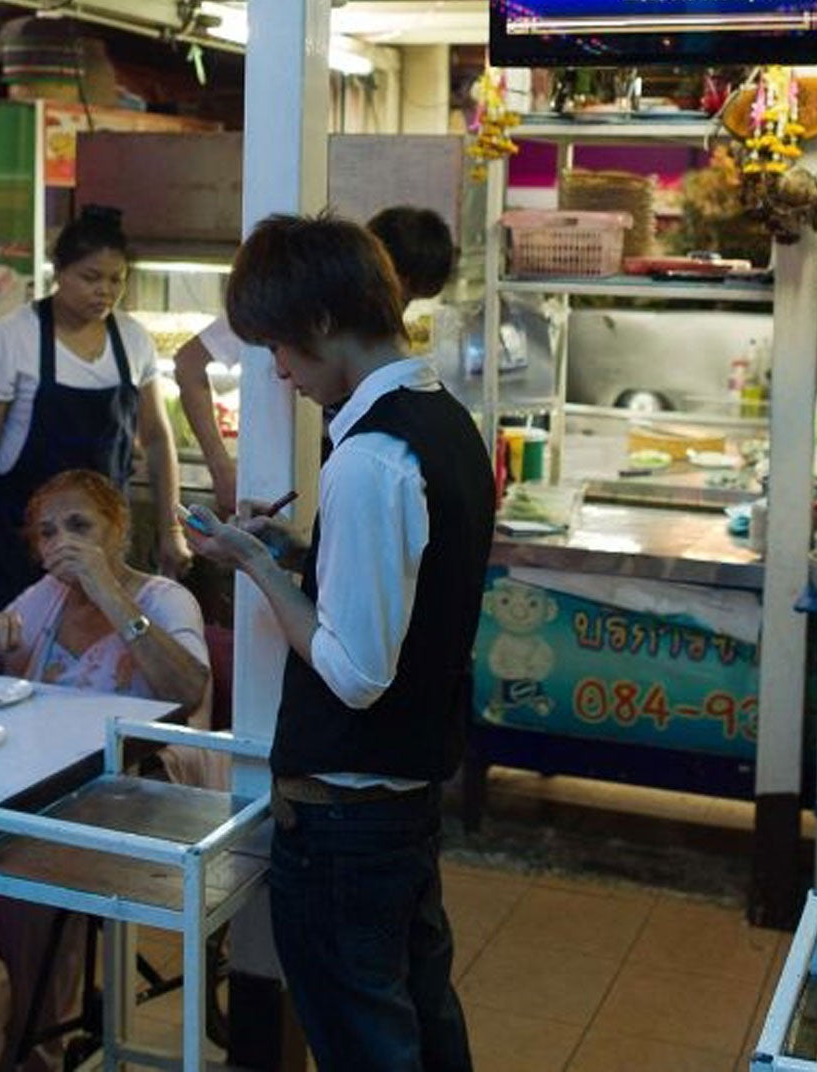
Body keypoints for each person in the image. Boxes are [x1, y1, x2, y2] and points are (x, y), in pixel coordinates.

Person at [180, 213, 492, 1072]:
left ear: (320, 324)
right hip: (405, 795)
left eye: (279, 346)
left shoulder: (368, 458)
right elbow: (402, 594)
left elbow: (355, 673)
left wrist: (254, 564)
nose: (279, 370)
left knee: (367, 1043)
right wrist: (302, 561)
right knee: (423, 1024)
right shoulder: (443, 423)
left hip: (346, 817)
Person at [0, 468, 212, 1071]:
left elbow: (189, 690)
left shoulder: (165, 599)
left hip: (144, 791)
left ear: (118, 529)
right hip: (44, 781)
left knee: (27, 865)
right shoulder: (46, 598)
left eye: (80, 525)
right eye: (47, 532)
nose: (62, 539)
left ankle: (36, 1044)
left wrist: (108, 590)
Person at [0, 204, 189, 620]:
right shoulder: (13, 338)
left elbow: (156, 438)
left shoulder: (132, 340)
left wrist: (172, 530)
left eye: (117, 280)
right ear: (58, 273)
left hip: (103, 546)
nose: (105, 292)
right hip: (21, 544)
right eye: (90, 278)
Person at [171, 204, 457, 515]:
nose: (392, 305)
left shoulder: (372, 454)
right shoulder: (283, 302)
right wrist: (222, 469)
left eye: (410, 297)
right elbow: (188, 363)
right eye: (393, 285)